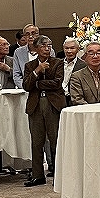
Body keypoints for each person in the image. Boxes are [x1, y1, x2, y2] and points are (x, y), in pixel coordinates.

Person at [22, 36, 65, 187]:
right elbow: (26, 86)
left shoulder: (58, 63)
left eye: (49, 45)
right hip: (35, 105)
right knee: (37, 141)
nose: (47, 48)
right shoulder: (30, 65)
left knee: (55, 140)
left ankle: (59, 175)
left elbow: (57, 83)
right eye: (44, 46)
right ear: (36, 48)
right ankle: (37, 175)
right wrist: (37, 71)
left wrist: (38, 84)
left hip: (53, 104)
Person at [12, 24, 40, 89]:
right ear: (24, 37)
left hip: (43, 88)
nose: (30, 36)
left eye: (33, 33)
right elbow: (16, 75)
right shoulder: (18, 52)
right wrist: (25, 86)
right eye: (27, 34)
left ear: (38, 35)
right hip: (25, 89)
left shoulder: (48, 50)